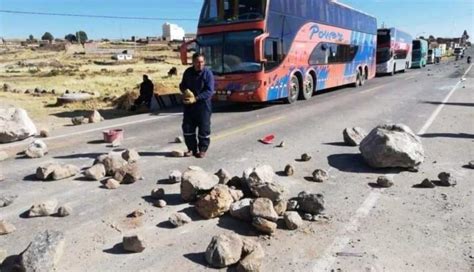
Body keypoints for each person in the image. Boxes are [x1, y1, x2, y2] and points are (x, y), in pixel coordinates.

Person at [179, 53, 215, 158]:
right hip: (189, 106)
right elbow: (182, 85)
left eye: (202, 62)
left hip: (203, 106)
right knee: (187, 128)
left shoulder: (208, 74)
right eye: (197, 62)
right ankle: (191, 149)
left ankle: (202, 149)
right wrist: (185, 91)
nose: (200, 64)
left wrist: (196, 98)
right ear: (193, 62)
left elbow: (209, 91)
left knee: (204, 129)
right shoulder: (188, 72)